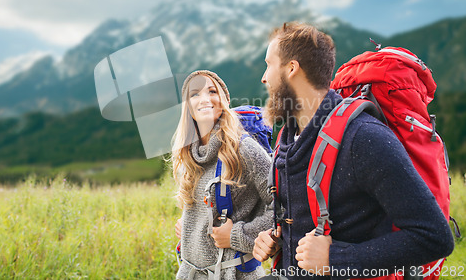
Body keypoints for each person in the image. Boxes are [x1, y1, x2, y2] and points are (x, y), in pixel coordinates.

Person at [252, 22, 454, 279]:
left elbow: (435, 238)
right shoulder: (287, 137)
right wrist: (276, 239)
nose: (264, 77)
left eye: (269, 64)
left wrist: (335, 258)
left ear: (292, 68)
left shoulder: (363, 137)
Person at [172, 70, 273, 280]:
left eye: (212, 91)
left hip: (234, 274)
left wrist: (237, 235)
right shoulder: (189, 155)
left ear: (225, 100)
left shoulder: (244, 150)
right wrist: (190, 226)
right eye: (195, 94)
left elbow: (285, 205)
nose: (205, 99)